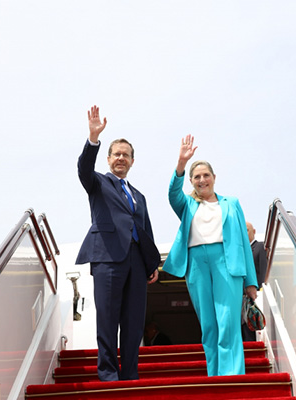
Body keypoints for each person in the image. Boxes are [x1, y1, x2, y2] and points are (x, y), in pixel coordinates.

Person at [75, 105, 161, 381]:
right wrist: (93, 138)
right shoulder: (98, 183)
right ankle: (108, 374)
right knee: (108, 318)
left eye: (126, 155)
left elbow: (146, 230)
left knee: (134, 321)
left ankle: (130, 374)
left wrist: (152, 264)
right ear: (109, 158)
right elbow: (84, 168)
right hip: (108, 258)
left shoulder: (139, 196)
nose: (121, 158)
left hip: (136, 262)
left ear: (132, 161)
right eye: (117, 154)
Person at [162, 134, 258, 376]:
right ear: (191, 181)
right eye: (197, 177)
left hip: (227, 262)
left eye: (206, 175)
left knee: (228, 321)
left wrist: (251, 282)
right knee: (208, 324)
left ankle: (232, 374)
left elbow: (243, 244)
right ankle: (214, 374)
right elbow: (173, 194)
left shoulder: (231, 203)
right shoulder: (186, 204)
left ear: (214, 177)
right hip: (196, 263)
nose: (202, 180)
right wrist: (182, 163)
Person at [241, 222, 268, 341]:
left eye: (247, 230)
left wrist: (259, 290)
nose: (244, 233)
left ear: (254, 231)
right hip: (242, 296)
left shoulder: (259, 247)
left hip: (255, 295)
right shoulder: (240, 251)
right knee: (244, 326)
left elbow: (263, 270)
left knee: (252, 327)